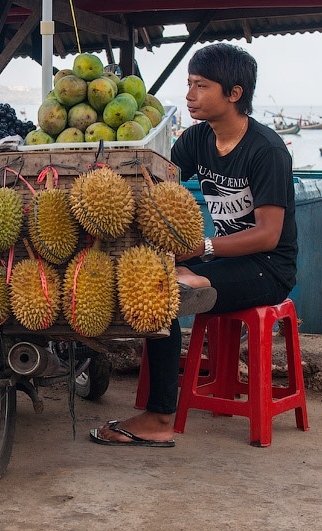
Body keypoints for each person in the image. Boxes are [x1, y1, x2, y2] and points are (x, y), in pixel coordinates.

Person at [90, 43, 297, 447]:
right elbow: (155, 173)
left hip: (268, 269)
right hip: (222, 262)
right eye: (189, 84)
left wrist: (201, 248)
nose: (189, 95)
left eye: (201, 86)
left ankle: (160, 416)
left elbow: (269, 235)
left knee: (167, 290)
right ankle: (159, 408)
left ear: (234, 94)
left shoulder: (265, 150)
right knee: (159, 276)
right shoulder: (199, 140)